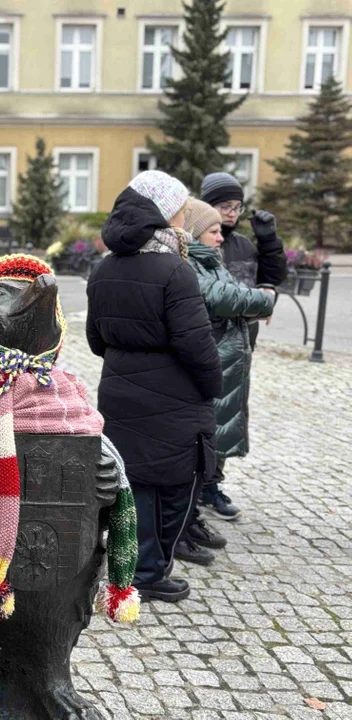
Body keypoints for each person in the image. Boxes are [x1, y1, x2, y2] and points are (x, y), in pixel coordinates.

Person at [86, 171, 222, 603]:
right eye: (181, 210)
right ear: (164, 216)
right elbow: (196, 344)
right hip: (174, 395)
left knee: (136, 483)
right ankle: (149, 571)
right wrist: (212, 385)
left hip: (120, 389)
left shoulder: (103, 268)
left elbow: (95, 339)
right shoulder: (175, 270)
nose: (185, 218)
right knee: (174, 485)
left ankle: (134, 566)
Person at [174, 200, 275, 565]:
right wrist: (263, 300)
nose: (221, 237)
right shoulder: (190, 262)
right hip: (209, 369)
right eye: (214, 230)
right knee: (198, 451)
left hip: (227, 370)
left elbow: (234, 294)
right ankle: (181, 526)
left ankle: (192, 519)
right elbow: (224, 298)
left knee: (209, 452)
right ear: (196, 231)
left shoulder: (210, 259)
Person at [199, 172, 287, 521]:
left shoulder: (244, 246)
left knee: (229, 414)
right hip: (209, 343)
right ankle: (198, 485)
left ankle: (212, 485)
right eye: (224, 206)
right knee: (208, 414)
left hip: (242, 343)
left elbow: (271, 278)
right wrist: (260, 300)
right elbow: (224, 297)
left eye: (236, 207)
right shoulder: (202, 245)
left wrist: (269, 242)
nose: (231, 214)